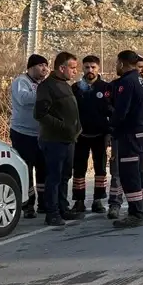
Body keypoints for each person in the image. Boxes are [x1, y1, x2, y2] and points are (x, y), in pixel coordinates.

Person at [33, 51, 83, 226]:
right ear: (61, 68)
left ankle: (63, 208)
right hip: (54, 140)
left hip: (69, 139)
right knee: (54, 177)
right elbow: (40, 114)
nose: (75, 71)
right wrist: (63, 126)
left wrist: (75, 129)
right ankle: (52, 212)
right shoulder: (47, 86)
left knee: (64, 176)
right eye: (72, 68)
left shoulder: (65, 84)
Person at [110, 50, 143, 228]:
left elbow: (121, 111)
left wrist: (111, 126)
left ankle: (136, 214)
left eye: (116, 63)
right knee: (139, 172)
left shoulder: (126, 82)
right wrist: (141, 116)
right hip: (142, 131)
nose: (116, 66)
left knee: (130, 174)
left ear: (121, 63)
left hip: (129, 134)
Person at [9, 54, 49, 218]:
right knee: (26, 169)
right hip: (23, 133)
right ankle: (28, 204)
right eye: (40, 65)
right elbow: (24, 99)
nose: (44, 69)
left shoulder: (44, 84)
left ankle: (44, 203)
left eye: (46, 66)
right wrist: (46, 95)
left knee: (43, 169)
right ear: (31, 67)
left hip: (41, 134)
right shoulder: (21, 82)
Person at [72, 55, 112, 214]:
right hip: (80, 136)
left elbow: (112, 112)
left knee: (100, 168)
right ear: (82, 68)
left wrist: (109, 133)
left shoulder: (106, 88)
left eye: (93, 67)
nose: (90, 70)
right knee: (79, 169)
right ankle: (79, 201)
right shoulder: (75, 88)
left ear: (98, 68)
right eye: (87, 67)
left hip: (100, 135)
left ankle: (98, 200)